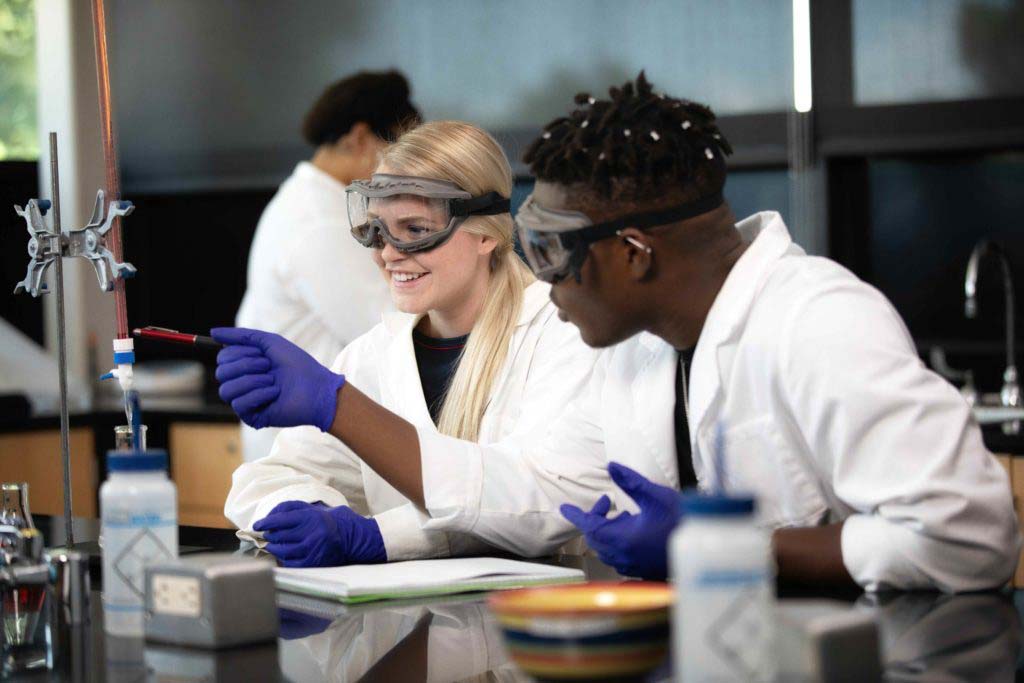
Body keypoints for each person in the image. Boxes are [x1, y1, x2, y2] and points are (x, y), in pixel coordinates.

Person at [213, 74, 1018, 592]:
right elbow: (542, 491)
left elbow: (972, 537)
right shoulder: (639, 351)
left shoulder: (817, 322)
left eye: (557, 252)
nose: (543, 277)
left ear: (634, 252)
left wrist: (731, 550)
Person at [218, 120, 599, 566]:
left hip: (535, 619)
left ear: (485, 234)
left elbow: (540, 502)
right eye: (378, 229)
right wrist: (301, 507)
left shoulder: (560, 334)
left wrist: (379, 537)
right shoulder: (374, 354)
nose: (387, 253)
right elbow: (272, 476)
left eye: (415, 230)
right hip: (411, 625)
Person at [234, 70, 419, 462]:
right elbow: (386, 328)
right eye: (397, 149)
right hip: (306, 450)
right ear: (359, 138)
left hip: (314, 435)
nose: (403, 170)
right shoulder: (318, 221)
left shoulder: (312, 203)